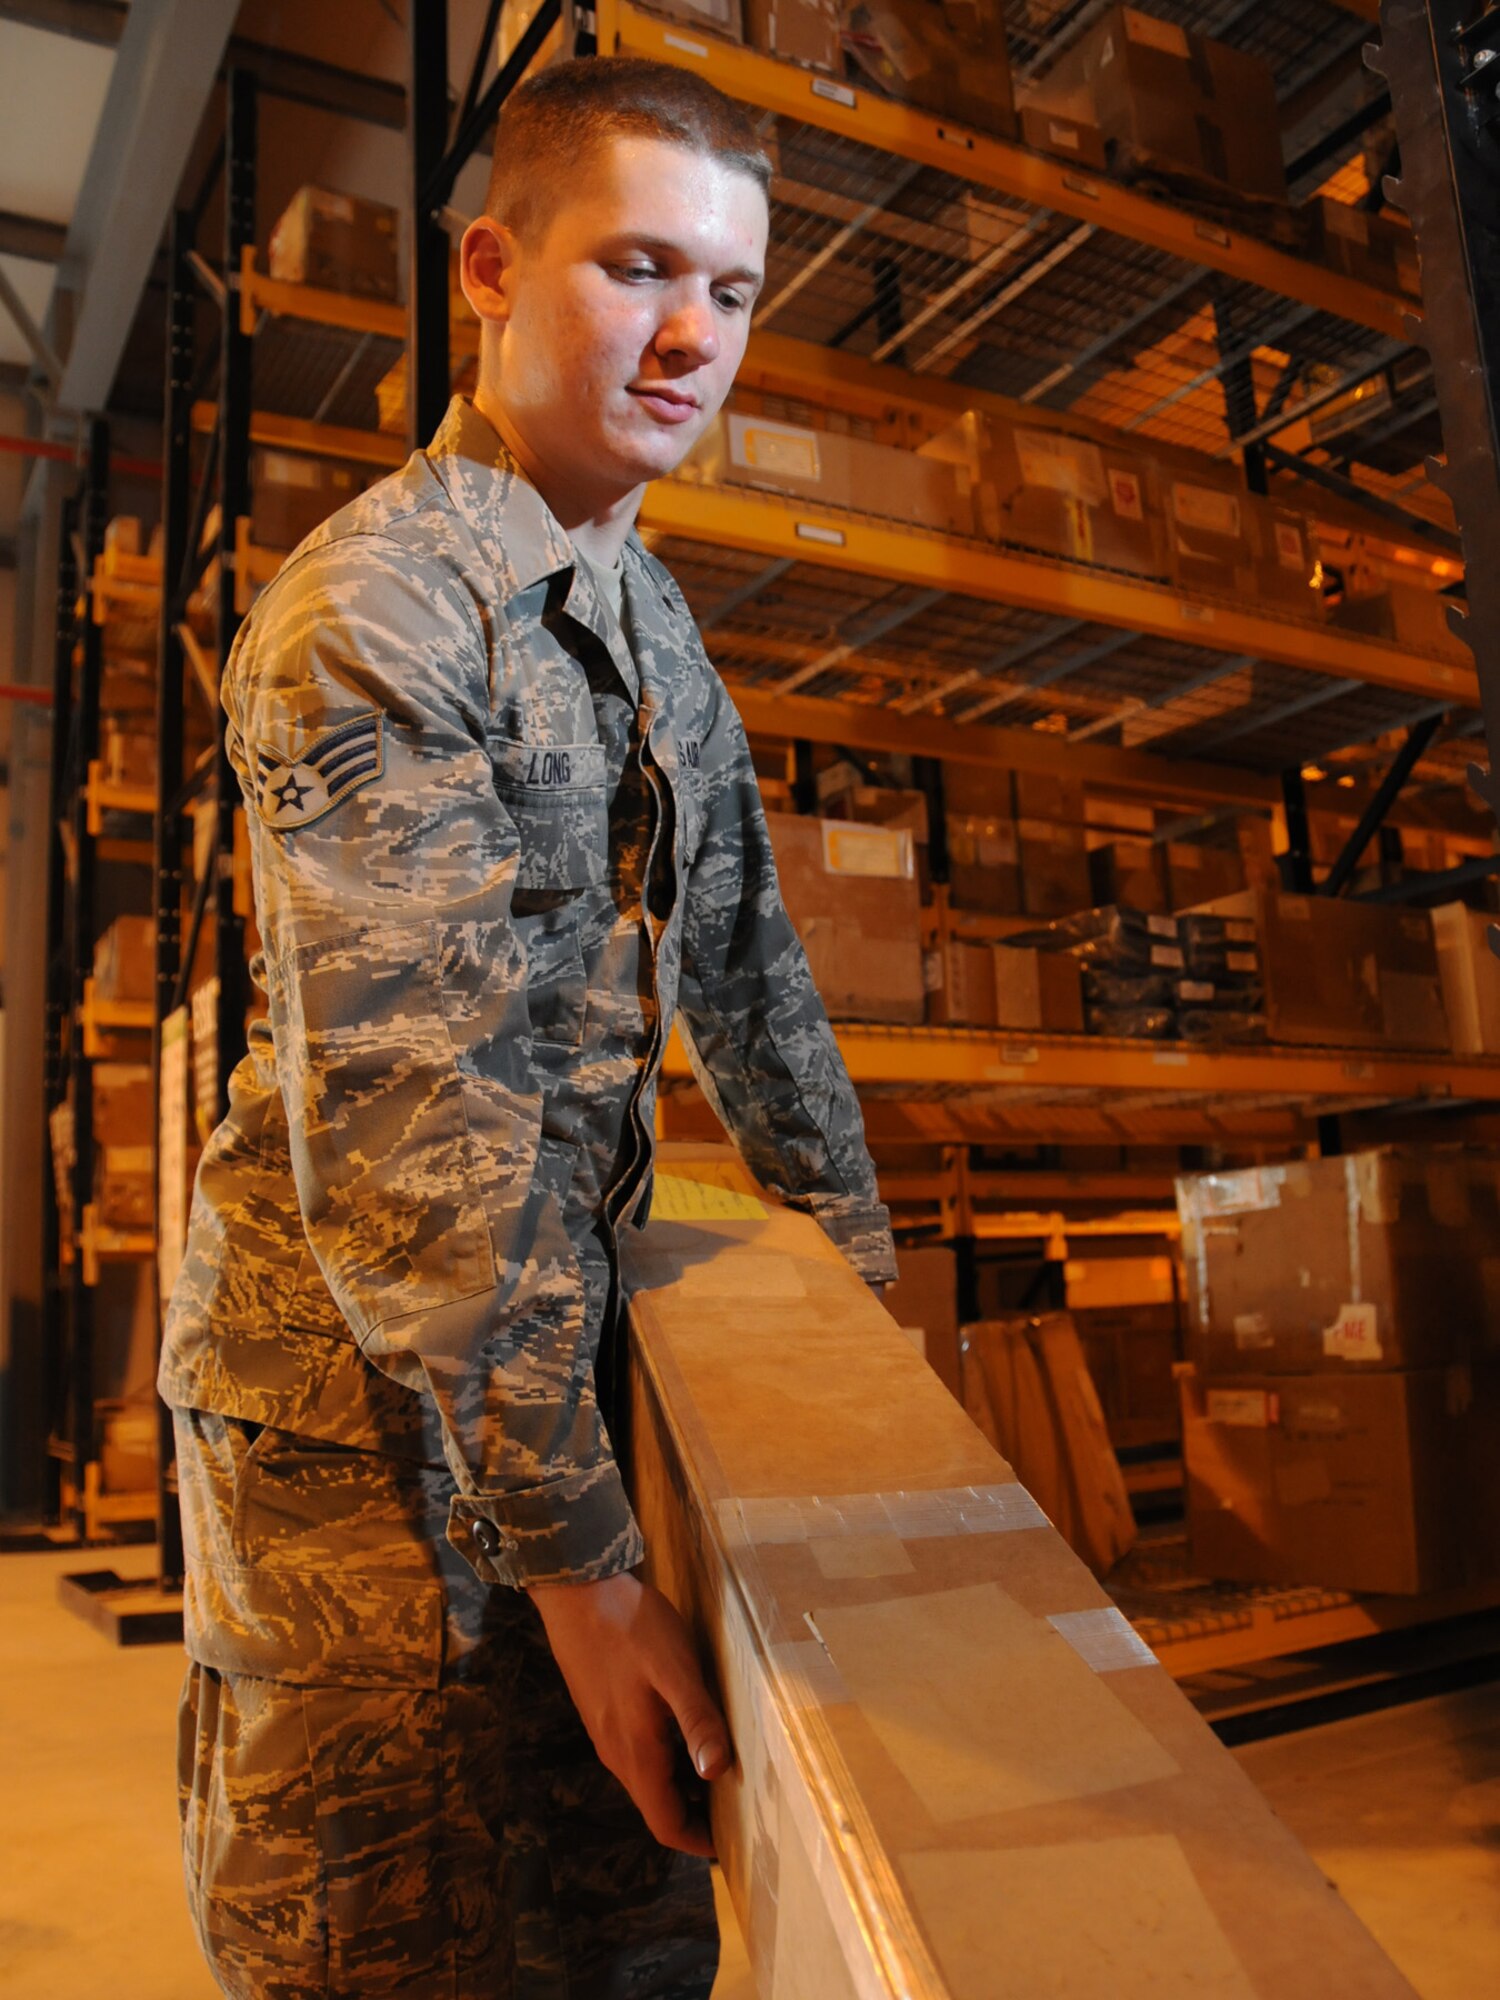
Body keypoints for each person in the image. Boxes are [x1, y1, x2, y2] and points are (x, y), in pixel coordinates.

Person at [159, 53, 896, 2000]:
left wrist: (874, 1337)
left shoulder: (647, 624)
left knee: (624, 1923)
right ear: (490, 269)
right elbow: (417, 1125)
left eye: (730, 291)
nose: (692, 336)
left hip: (555, 1389)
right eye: (638, 268)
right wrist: (581, 1568)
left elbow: (754, 977)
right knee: (402, 1936)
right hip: (364, 1451)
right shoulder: (378, 612)